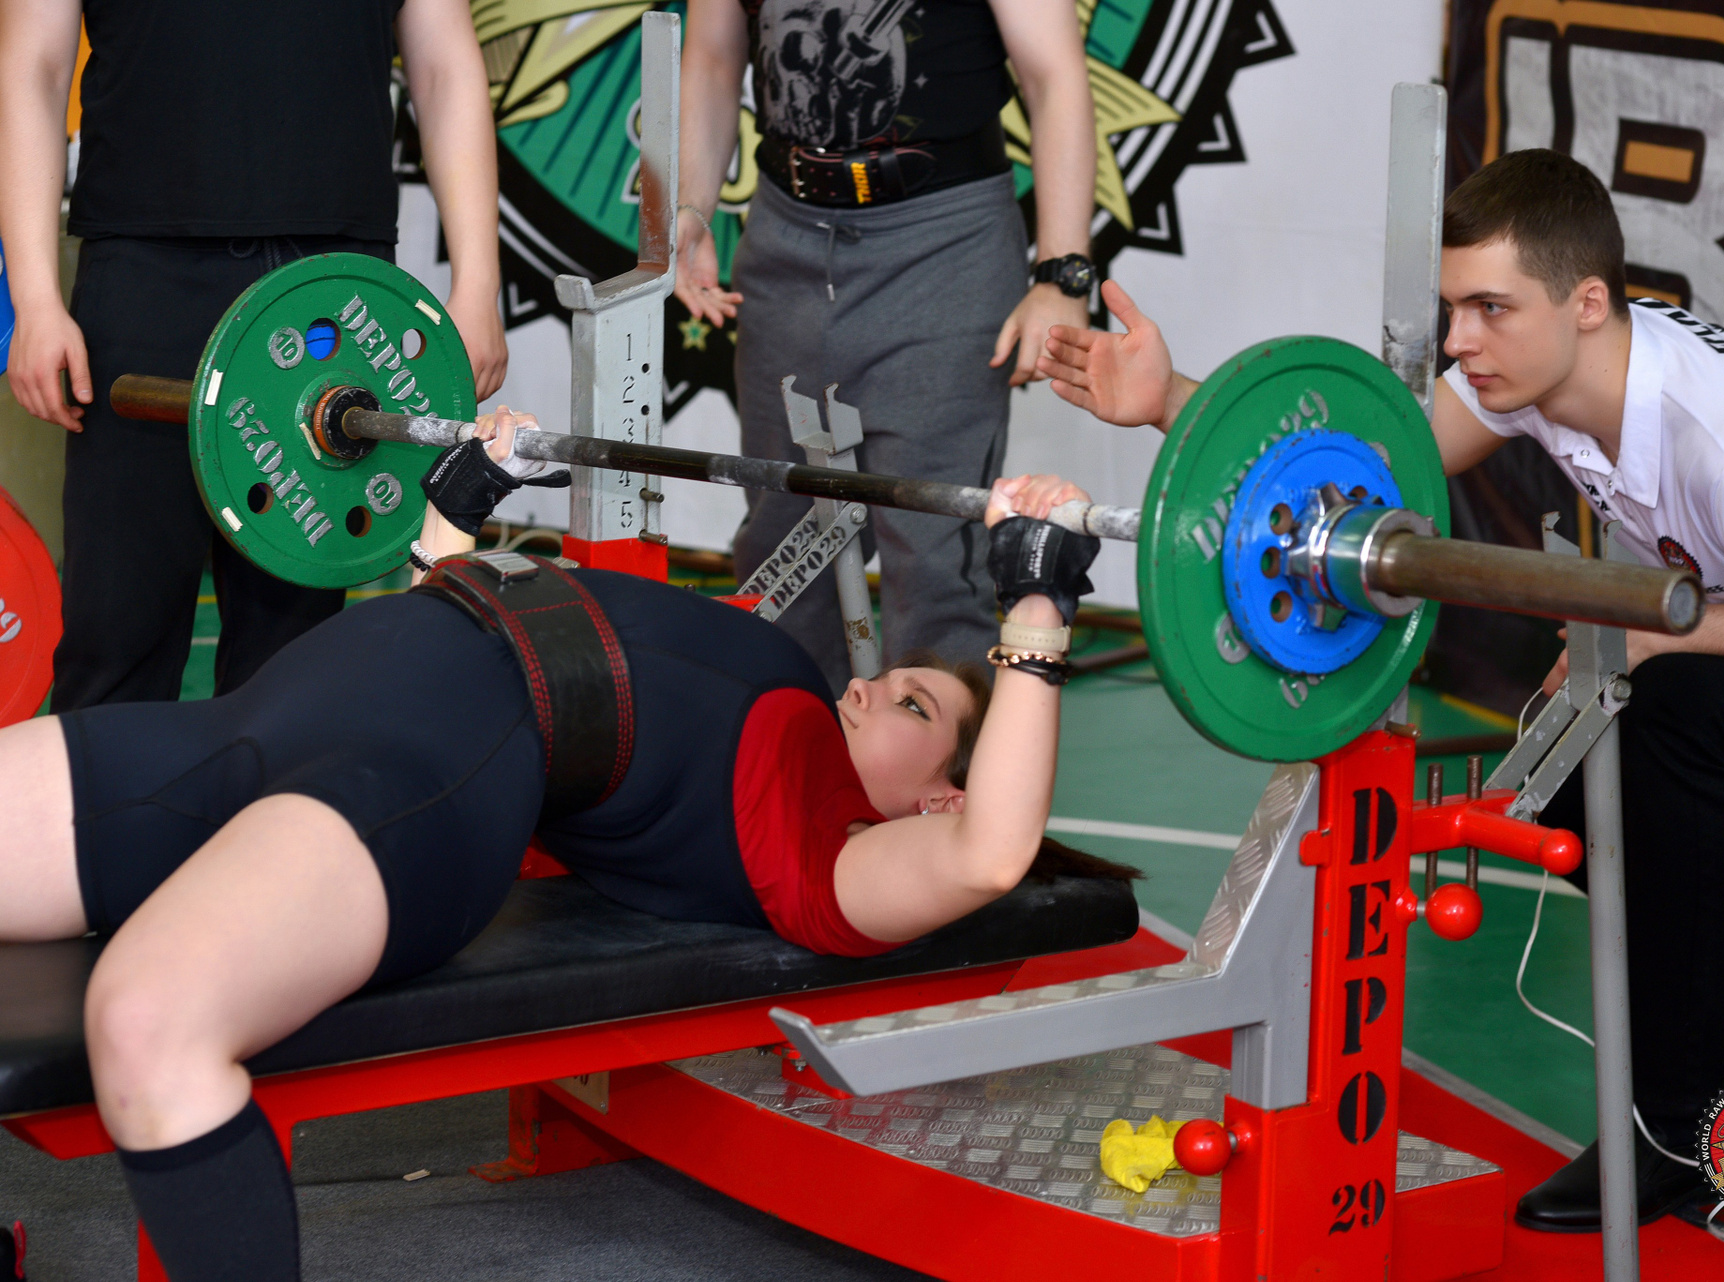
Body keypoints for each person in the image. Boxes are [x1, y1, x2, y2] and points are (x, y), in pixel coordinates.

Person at [0, 403, 1118, 1281]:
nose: (871, 687)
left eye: (917, 708)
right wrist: (456, 513)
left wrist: (1036, 605)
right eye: (891, 677)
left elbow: (991, 856)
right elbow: (477, 632)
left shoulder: (820, 858)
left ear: (937, 801)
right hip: (278, 712)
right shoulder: (786, 697)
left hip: (405, 785)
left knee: (146, 1023)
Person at [1039, 148, 1724, 1231]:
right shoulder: (1544, 372)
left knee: (1656, 720)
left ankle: (1679, 1125)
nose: (1457, 342)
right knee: (1566, 756)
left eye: (1489, 309)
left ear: (1588, 303)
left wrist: (1650, 635)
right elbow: (1360, 468)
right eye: (1453, 310)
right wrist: (1168, 400)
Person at [0, 0, 508, 709]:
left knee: (293, 664)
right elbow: (34, 64)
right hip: (148, 275)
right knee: (116, 641)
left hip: (333, 290)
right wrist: (33, 298)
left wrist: (479, 285)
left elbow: (445, 64)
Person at [674, 0, 1096, 690]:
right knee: (782, 544)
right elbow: (714, 58)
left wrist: (1062, 276)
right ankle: (799, 752)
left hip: (944, 241)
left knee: (934, 556)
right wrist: (688, 209)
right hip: (784, 233)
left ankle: (944, 763)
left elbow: (1054, 73)